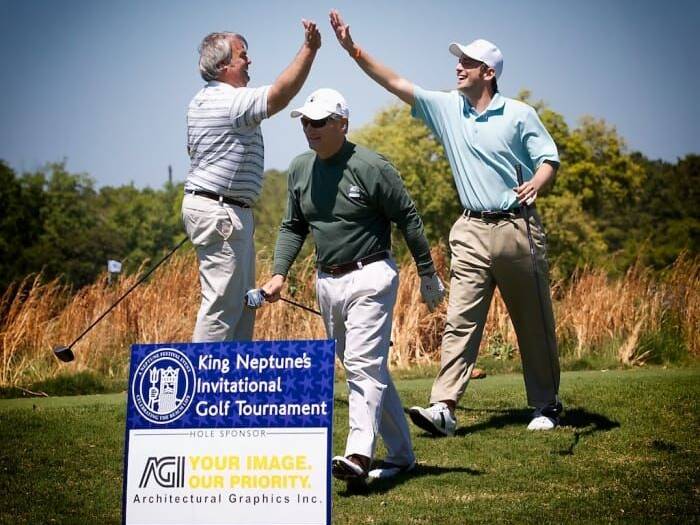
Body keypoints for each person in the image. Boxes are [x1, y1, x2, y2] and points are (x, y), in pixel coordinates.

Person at [330, 10, 563, 433]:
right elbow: (396, 83)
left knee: (532, 321)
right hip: (470, 228)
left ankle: (545, 406)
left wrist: (537, 183)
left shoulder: (519, 114)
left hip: (517, 227)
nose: (458, 66)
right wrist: (353, 50)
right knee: (460, 320)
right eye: (459, 61)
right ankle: (444, 407)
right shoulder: (446, 107)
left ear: (488, 73)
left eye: (468, 63)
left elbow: (548, 159)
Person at [259, 88, 445, 482]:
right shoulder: (298, 169)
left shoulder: (371, 166)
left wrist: (427, 272)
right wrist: (279, 274)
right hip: (327, 282)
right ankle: (400, 455)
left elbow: (408, 217)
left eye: (320, 122)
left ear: (342, 123)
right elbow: (293, 225)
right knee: (367, 367)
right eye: (306, 122)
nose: (311, 129)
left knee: (361, 365)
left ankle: (359, 454)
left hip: (371, 274)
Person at [182, 22, 321, 342]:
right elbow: (280, 95)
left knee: (243, 303)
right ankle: (205, 386)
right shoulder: (230, 101)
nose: (250, 62)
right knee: (222, 305)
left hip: (223, 209)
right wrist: (309, 50)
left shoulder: (201, 101)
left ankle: (235, 383)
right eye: (243, 56)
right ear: (223, 65)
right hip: (219, 211)